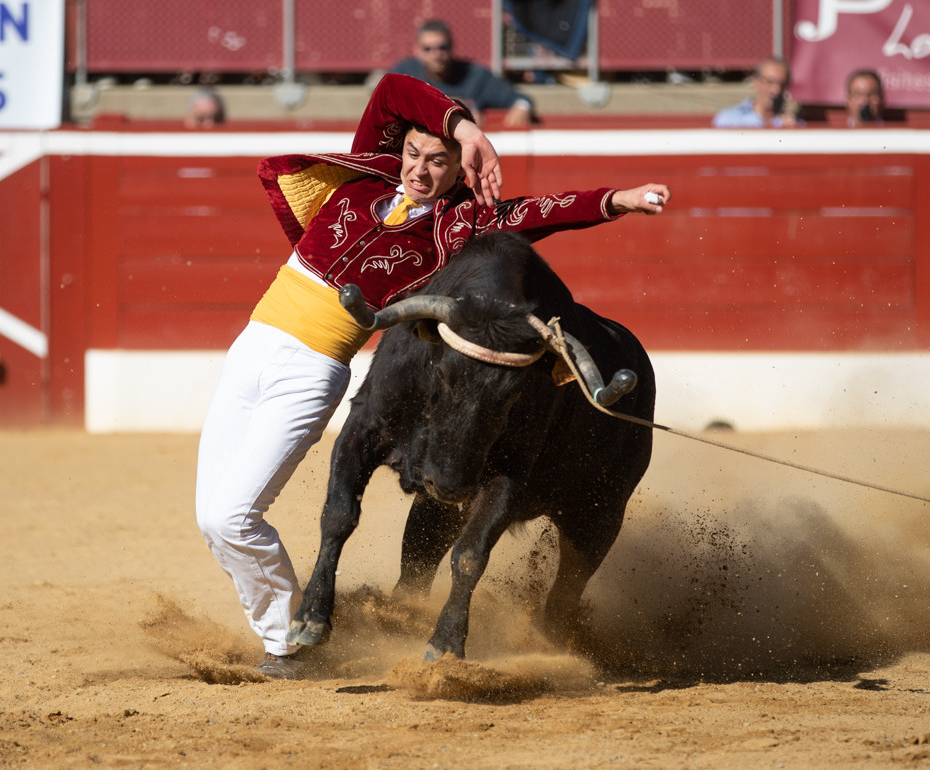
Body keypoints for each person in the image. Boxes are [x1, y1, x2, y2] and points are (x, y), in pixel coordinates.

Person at [194, 72, 670, 680]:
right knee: (213, 519)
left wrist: (618, 201)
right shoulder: (368, 173)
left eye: (439, 162)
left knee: (234, 516)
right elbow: (393, 88)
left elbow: (540, 213)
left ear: (456, 174)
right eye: (414, 154)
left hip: (311, 369)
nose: (420, 170)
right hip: (250, 349)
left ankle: (291, 641)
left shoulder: (456, 228)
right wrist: (465, 128)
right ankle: (288, 630)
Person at [388, 18, 536, 127]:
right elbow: (385, 105)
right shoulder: (404, 74)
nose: (436, 54)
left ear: (452, 47)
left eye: (442, 47)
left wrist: (521, 108)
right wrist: (451, 106)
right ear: (417, 50)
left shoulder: (475, 75)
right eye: (428, 49)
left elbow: (519, 98)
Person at [712, 56, 802, 129]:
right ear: (756, 82)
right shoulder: (729, 121)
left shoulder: (794, 124)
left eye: (782, 84)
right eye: (770, 82)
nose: (776, 90)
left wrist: (792, 135)